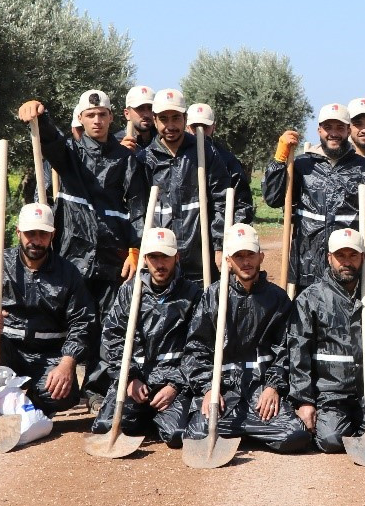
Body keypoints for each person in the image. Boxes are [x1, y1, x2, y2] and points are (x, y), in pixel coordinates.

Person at [18, 90, 148, 410]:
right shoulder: (70, 155)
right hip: (73, 252)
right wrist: (40, 116)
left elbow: (139, 209)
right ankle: (60, 380)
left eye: (102, 114)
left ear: (111, 118)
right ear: (82, 119)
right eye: (91, 116)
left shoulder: (127, 159)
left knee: (106, 322)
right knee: (75, 318)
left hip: (112, 256)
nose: (97, 120)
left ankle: (96, 388)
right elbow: (50, 142)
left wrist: (135, 249)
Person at [183, 224, 310, 452]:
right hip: (224, 388)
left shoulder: (278, 299)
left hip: (260, 388)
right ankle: (252, 428)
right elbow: (196, 348)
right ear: (228, 260)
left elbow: (288, 350)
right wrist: (209, 388)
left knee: (295, 435)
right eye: (238, 256)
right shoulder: (213, 296)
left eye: (250, 254)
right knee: (197, 434)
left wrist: (273, 386)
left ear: (261, 256)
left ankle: (243, 427)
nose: (246, 262)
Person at [0, 204, 96, 415]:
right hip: (6, 350)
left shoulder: (68, 273)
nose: (36, 240)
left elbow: (82, 322)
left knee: (62, 395)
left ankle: (26, 403)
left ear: (53, 235)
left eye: (43, 234)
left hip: (48, 353)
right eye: (30, 233)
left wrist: (67, 362)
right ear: (18, 233)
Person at [288, 228, 365, 453]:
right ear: (329, 257)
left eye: (353, 255)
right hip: (331, 393)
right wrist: (304, 401)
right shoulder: (310, 299)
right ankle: (341, 423)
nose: (346, 262)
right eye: (340, 256)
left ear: (363, 257)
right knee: (331, 439)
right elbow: (298, 352)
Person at [263, 104, 365, 294]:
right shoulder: (302, 165)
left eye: (340, 128)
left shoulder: (364, 169)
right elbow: (273, 198)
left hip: (347, 269)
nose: (334, 133)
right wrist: (280, 159)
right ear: (319, 130)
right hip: (306, 267)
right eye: (328, 128)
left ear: (348, 130)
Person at [90, 228, 202, 447]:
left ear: (176, 256)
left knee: (176, 434)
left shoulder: (192, 294)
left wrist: (175, 385)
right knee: (104, 426)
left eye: (165, 257)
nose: (160, 264)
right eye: (153, 257)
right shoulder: (130, 292)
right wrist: (129, 377)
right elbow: (112, 337)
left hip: (172, 380)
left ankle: (157, 419)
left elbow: (199, 347)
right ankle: (142, 416)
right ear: (144, 259)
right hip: (136, 379)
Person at [137, 88, 251, 286]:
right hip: (162, 258)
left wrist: (219, 246)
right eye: (164, 119)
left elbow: (221, 200)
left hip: (201, 259)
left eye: (176, 118)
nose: (170, 125)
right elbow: (137, 209)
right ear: (155, 120)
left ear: (184, 118)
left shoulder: (205, 153)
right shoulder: (144, 159)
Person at [186, 102, 255, 214]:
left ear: (214, 127)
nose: (200, 132)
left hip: (218, 225)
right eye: (195, 127)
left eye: (205, 127)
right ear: (187, 127)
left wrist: (237, 228)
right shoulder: (179, 159)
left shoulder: (227, 160)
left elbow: (242, 202)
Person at [117, 85, 156, 152]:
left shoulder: (163, 141)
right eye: (140, 108)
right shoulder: (115, 143)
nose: (146, 114)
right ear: (127, 114)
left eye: (150, 108)